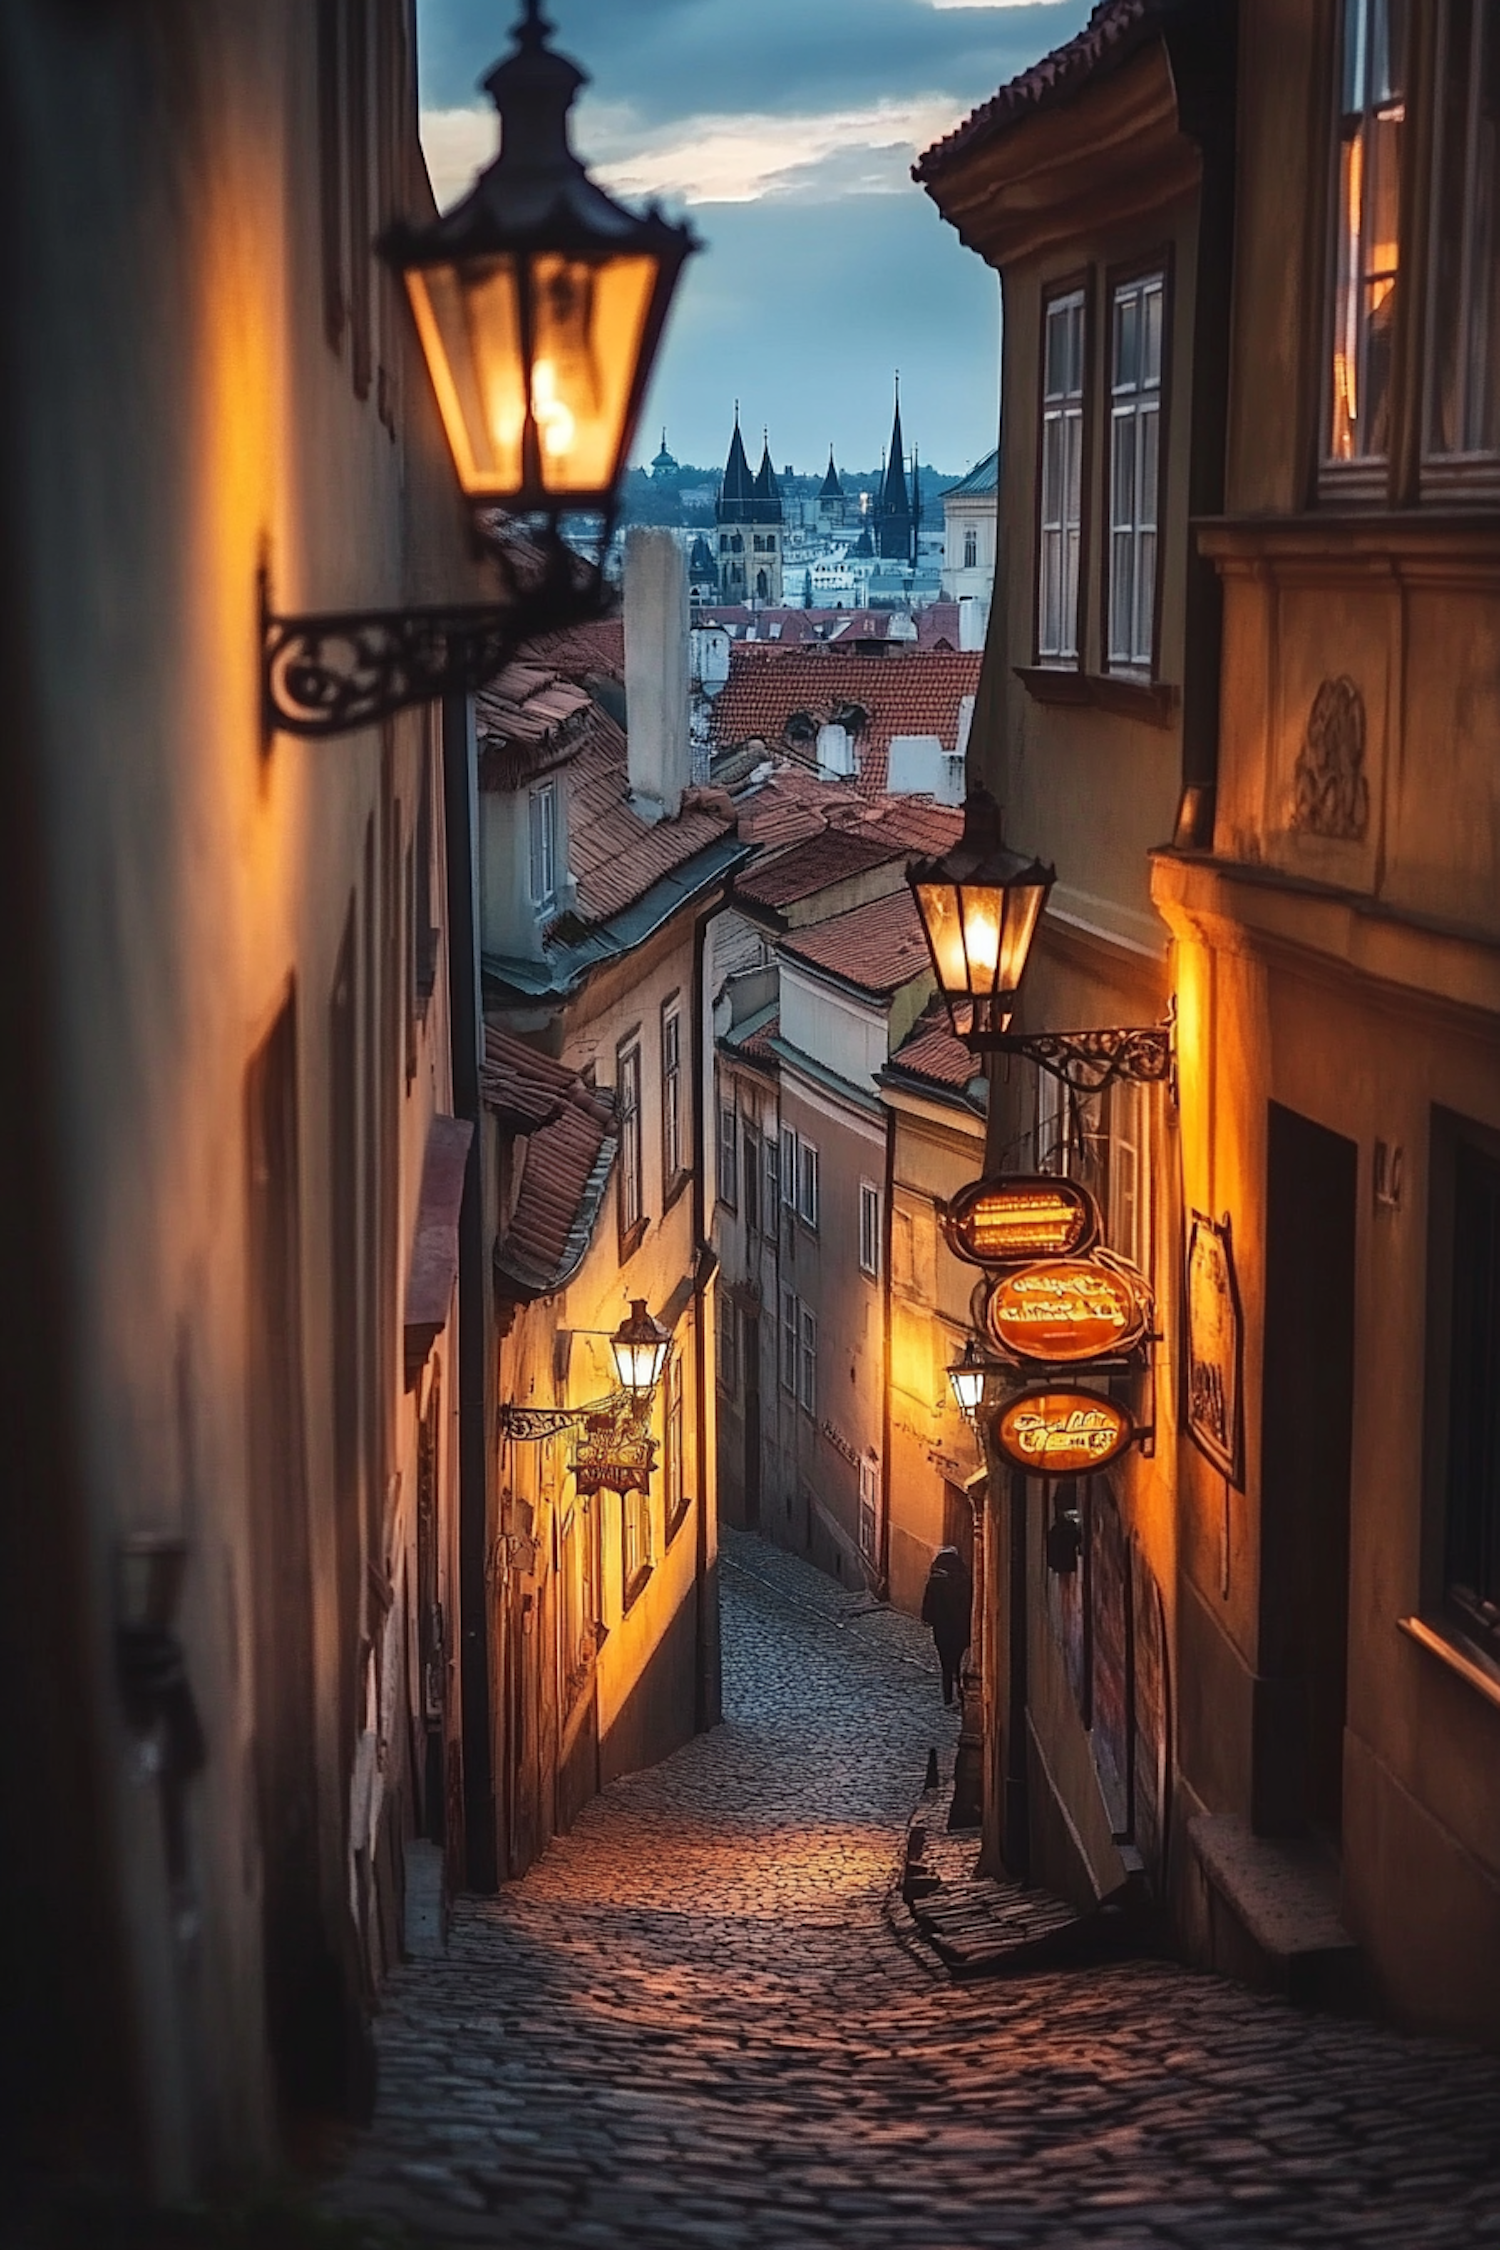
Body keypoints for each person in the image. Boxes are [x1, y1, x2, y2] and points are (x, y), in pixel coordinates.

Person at [921, 1545, 973, 1707]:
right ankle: (961, 1693)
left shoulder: (936, 1581)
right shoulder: (965, 1579)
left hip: (943, 1630)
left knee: (946, 1664)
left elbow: (928, 1606)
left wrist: (927, 1619)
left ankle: (948, 1698)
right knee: (959, 1661)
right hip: (961, 1629)